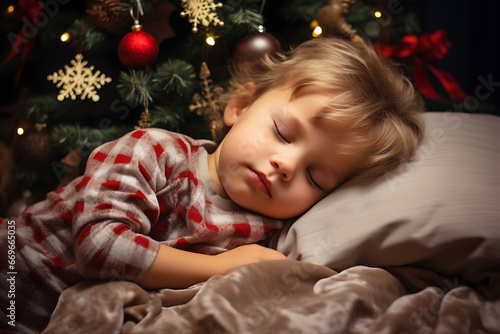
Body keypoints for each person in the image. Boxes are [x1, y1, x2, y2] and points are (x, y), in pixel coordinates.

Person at [0, 37, 424, 333]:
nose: (286, 165)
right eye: (283, 132)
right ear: (240, 106)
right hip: (19, 270)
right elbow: (101, 248)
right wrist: (226, 266)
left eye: (315, 176)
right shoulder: (154, 151)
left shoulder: (269, 236)